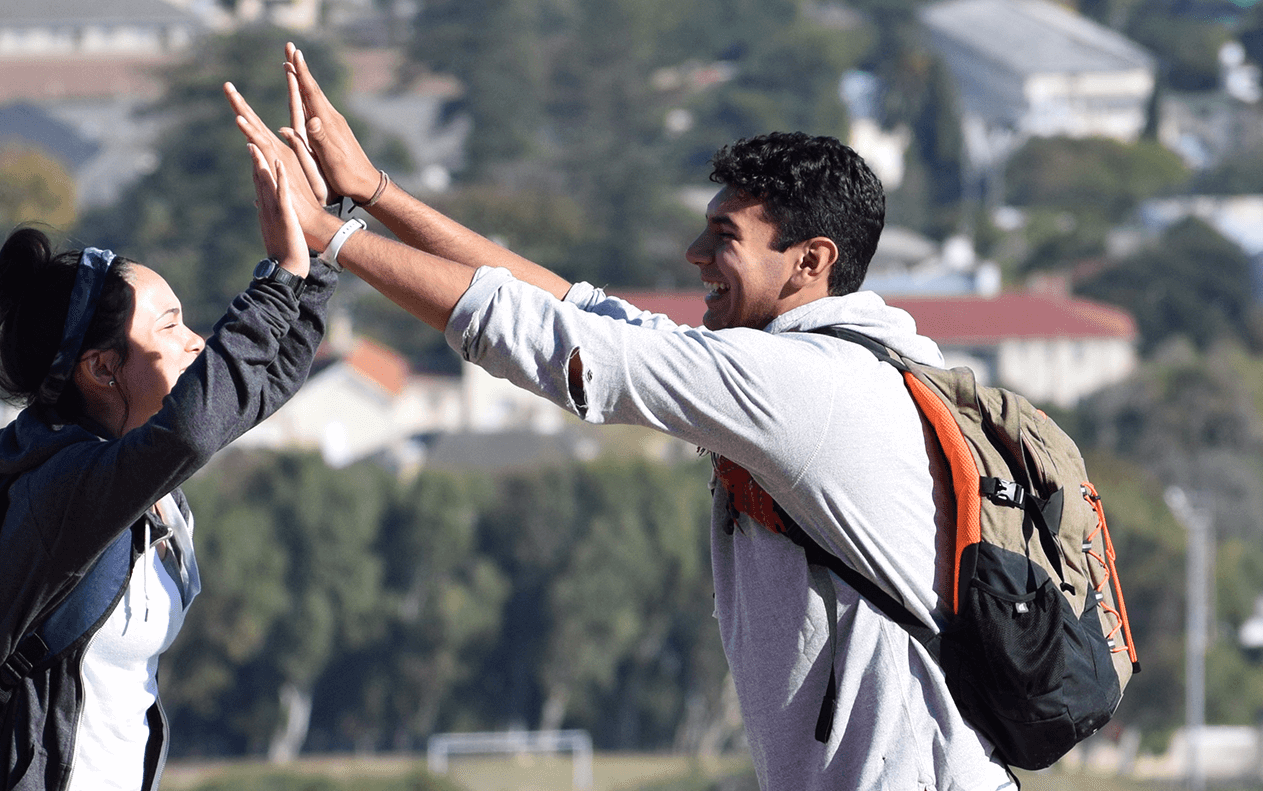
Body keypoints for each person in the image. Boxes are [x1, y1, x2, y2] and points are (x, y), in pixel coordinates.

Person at [229, 46, 1014, 790]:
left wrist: (330, 237)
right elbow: (583, 313)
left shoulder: (801, 384)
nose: (694, 254)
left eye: (725, 236)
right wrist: (374, 192)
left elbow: (558, 343)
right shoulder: (831, 365)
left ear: (811, 262)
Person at [0, 144, 332, 791]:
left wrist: (317, 247)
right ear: (102, 368)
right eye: (170, 326)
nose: (197, 342)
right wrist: (277, 280)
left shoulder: (133, 475)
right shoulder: (68, 486)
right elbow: (194, 428)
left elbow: (259, 386)